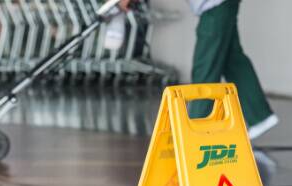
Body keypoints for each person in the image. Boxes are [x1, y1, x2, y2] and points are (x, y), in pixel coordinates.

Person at [118, 0, 278, 139]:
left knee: (205, 68)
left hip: (215, 6)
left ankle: (195, 130)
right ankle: (260, 116)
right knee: (232, 60)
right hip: (221, 4)